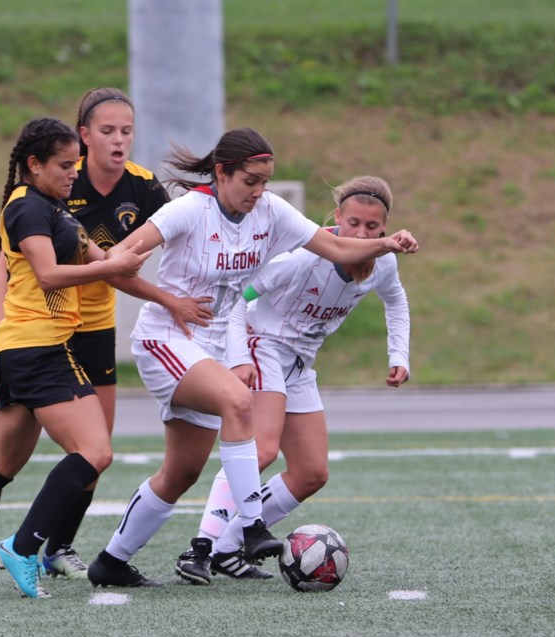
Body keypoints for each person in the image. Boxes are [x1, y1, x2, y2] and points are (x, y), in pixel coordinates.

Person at [85, 128, 419, 588]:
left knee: (180, 473)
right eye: (251, 181)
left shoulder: (270, 211)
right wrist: (168, 299)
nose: (259, 191)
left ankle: (110, 560)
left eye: (265, 181)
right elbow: (115, 262)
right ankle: (251, 527)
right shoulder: (187, 210)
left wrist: (386, 245)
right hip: (167, 337)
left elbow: (339, 246)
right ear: (222, 173)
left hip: (215, 348)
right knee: (239, 404)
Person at [0, 88, 212, 585]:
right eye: (107, 131)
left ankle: (57, 546)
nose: (119, 141)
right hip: (33, 329)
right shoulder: (52, 183)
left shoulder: (143, 188)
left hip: (91, 329)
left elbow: (164, 243)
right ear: (84, 137)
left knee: (94, 450)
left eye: (128, 131)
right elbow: (4, 265)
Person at [0, 116, 154, 599]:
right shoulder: (26, 208)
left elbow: (106, 264)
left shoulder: (58, 211)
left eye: (75, 165)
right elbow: (48, 275)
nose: (72, 173)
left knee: (2, 463)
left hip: (25, 351)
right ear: (33, 164)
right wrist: (114, 264)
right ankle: (24, 547)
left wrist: (172, 301)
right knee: (95, 451)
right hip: (38, 347)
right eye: (64, 165)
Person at [175, 175, 411, 585]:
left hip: (299, 363)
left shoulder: (382, 263)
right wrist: (236, 359)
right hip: (262, 346)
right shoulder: (305, 256)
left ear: (384, 230)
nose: (362, 232)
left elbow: (396, 301)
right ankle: (200, 548)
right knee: (261, 449)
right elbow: (239, 301)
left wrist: (399, 355)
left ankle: (227, 550)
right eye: (353, 223)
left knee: (311, 473)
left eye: (372, 227)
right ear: (337, 218)